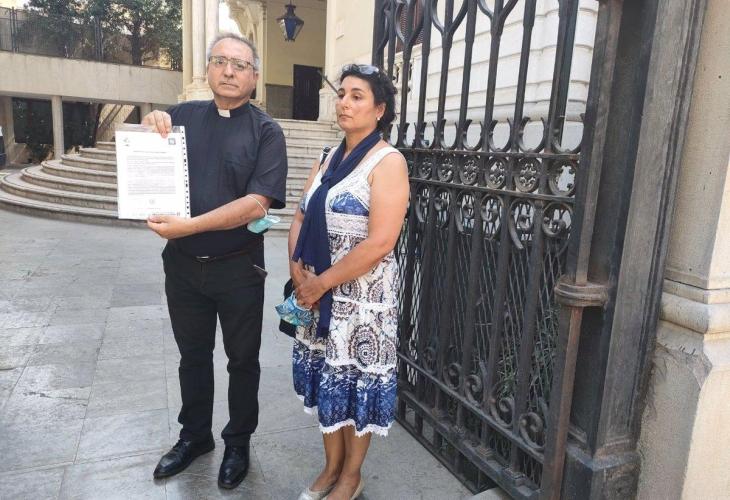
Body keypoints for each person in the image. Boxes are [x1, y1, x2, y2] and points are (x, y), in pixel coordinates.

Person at [141, 33, 287, 489]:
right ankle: (194, 436)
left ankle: (238, 443)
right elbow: (150, 160)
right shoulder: (181, 118)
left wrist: (188, 226)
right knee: (192, 356)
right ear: (207, 68)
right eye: (220, 61)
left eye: (240, 65)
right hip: (183, 266)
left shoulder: (267, 132)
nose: (228, 71)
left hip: (238, 268)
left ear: (254, 77)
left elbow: (256, 204)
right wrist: (151, 126)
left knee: (242, 360)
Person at [288, 64, 409, 500]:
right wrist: (297, 271)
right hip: (318, 298)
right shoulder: (327, 157)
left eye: (357, 96)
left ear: (379, 110)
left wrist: (321, 283)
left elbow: (381, 242)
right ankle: (330, 468)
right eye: (342, 94)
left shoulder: (388, 162)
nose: (344, 102)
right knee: (328, 383)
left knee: (356, 388)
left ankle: (350, 477)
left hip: (362, 305)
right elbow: (300, 215)